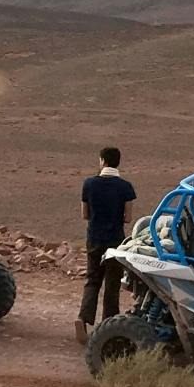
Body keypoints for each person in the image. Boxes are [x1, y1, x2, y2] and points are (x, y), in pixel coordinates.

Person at [77, 147, 137, 343]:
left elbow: (85, 214)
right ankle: (108, 327)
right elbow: (128, 218)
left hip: (94, 238)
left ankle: (83, 319)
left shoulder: (89, 184)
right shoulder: (126, 187)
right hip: (115, 241)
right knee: (112, 284)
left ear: (102, 161)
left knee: (92, 280)